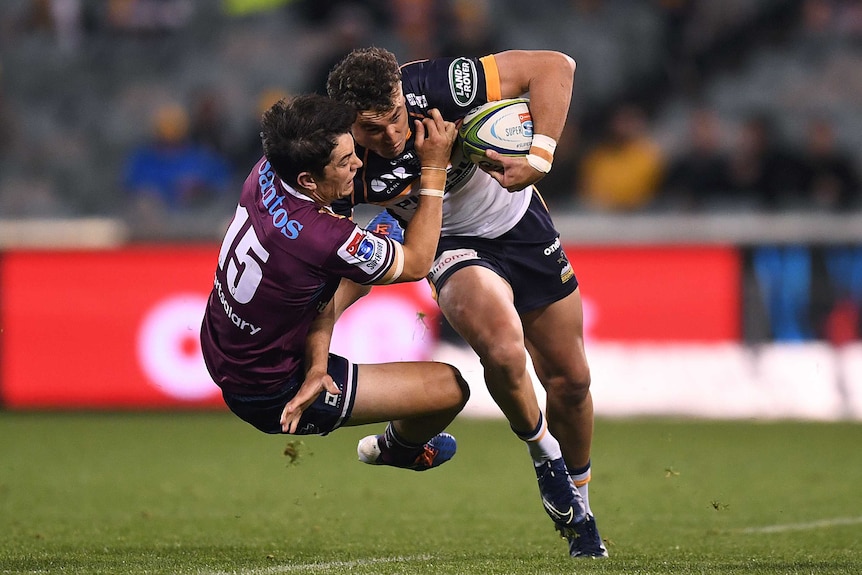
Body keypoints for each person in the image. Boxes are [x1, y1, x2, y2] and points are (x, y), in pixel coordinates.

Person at [327, 46, 607, 558]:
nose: (391, 136)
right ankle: (546, 459)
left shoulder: (435, 86)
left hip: (521, 224)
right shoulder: (335, 159)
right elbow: (328, 244)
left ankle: (582, 507)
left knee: (571, 381)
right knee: (503, 350)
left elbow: (556, 66)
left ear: (401, 95)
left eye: (395, 119)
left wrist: (539, 155)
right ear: (347, 125)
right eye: (371, 129)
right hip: (449, 245)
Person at [199, 94, 470, 474]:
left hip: (221, 342)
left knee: (359, 277)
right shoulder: (321, 238)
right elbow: (417, 261)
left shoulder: (269, 168)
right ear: (308, 179)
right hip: (270, 390)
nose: (358, 163)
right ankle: (400, 449)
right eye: (345, 161)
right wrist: (435, 169)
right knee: (450, 389)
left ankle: (317, 360)